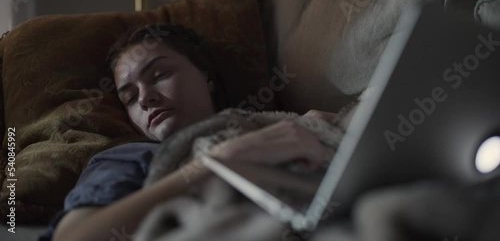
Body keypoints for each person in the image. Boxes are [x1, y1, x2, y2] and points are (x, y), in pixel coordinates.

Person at [40, 24, 337, 241]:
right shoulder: (129, 156)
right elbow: (74, 237)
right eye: (129, 97)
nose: (145, 98)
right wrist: (215, 164)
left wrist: (327, 127)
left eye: (159, 75)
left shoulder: (270, 123)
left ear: (205, 75)